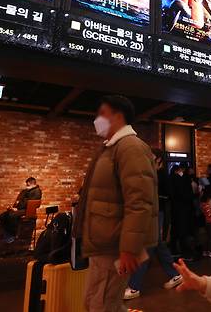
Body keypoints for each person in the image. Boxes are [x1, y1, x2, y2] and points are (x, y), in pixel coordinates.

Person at [72, 95, 158, 312]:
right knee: (97, 302)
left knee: (100, 304)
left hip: (115, 246)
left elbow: (140, 202)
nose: (97, 120)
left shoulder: (131, 148)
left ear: (118, 116)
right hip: (105, 244)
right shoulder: (109, 148)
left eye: (102, 114)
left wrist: (129, 249)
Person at [123, 148, 183, 300]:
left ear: (159, 160)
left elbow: (163, 195)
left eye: (151, 156)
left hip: (155, 214)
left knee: (148, 246)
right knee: (156, 245)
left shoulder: (160, 174)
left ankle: (134, 286)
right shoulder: (153, 173)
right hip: (153, 214)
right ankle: (175, 275)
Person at [0, 177, 42, 243]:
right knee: (2, 216)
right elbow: (21, 201)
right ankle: (8, 233)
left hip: (28, 210)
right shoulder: (27, 191)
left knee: (11, 215)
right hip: (21, 209)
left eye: (27, 185)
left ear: (31, 183)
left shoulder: (37, 191)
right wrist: (15, 207)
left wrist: (18, 208)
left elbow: (29, 203)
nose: (26, 186)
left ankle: (13, 234)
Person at [169, 163, 197, 260]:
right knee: (183, 230)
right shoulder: (183, 180)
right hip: (184, 209)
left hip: (176, 209)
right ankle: (185, 252)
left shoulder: (172, 179)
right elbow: (187, 194)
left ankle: (174, 249)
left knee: (176, 230)